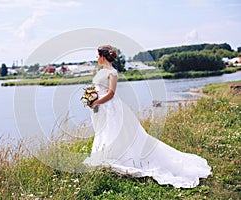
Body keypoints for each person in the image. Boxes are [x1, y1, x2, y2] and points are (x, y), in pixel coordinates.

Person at [83, 45, 211, 188]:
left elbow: (111, 93)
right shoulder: (101, 71)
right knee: (104, 131)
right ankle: (105, 156)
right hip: (101, 108)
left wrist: (97, 101)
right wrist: (91, 98)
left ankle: (122, 159)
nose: (96, 59)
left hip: (111, 106)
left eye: (97, 56)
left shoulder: (112, 72)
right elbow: (98, 88)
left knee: (117, 132)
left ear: (102, 56)